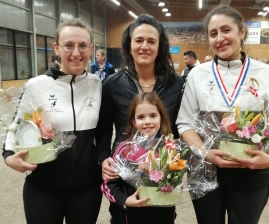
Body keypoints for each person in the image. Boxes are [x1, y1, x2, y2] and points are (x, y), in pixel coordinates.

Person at [176, 6, 269, 224]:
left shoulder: (266, 74)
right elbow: (184, 123)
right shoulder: (197, 74)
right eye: (213, 33)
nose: (220, 38)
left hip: (252, 171)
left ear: (242, 32)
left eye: (226, 30)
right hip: (206, 171)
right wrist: (207, 153)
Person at [2, 18, 103, 224]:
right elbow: (15, 126)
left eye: (83, 45)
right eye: (68, 45)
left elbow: (104, 133)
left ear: (90, 48)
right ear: (56, 48)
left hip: (87, 190)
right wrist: (8, 155)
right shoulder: (36, 85)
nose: (76, 53)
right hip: (43, 189)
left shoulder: (97, 84)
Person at [98, 14, 184, 224]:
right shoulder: (112, 84)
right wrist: (103, 159)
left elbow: (180, 127)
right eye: (138, 40)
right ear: (129, 46)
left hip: (162, 171)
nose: (144, 46)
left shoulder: (177, 83)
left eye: (151, 41)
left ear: (160, 47)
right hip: (124, 172)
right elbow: (103, 129)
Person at [101, 92, 176, 224]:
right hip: (129, 217)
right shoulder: (124, 150)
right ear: (134, 121)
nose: (147, 121)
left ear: (161, 118)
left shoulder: (170, 148)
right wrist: (124, 200)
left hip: (163, 217)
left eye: (153, 116)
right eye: (141, 117)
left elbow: (175, 182)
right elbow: (109, 185)